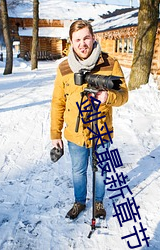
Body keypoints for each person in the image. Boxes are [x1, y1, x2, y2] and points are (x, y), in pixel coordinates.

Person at [50, 20, 128, 220]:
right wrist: (55, 134)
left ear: (93, 38)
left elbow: (124, 95)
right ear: (71, 42)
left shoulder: (110, 63)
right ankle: (79, 202)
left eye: (86, 38)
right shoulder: (64, 68)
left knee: (101, 169)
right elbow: (58, 102)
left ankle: (99, 202)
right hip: (75, 133)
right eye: (77, 40)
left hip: (102, 130)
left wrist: (108, 97)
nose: (82, 43)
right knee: (78, 171)